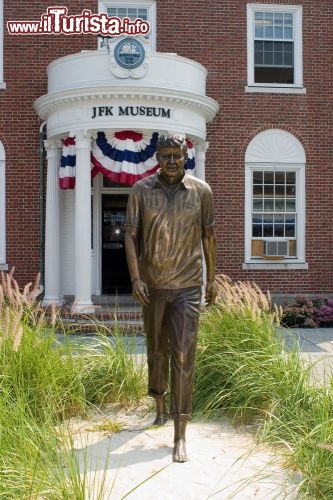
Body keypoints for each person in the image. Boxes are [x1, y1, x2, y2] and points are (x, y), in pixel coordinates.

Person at [125, 132, 217, 462]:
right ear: (156, 158)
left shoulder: (201, 191)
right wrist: (136, 278)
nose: (172, 160)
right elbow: (130, 236)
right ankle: (159, 404)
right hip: (152, 286)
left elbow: (209, 236)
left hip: (188, 287)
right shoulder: (140, 191)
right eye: (165, 155)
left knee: (183, 356)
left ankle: (180, 432)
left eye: (176, 154)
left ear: (186, 154)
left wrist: (212, 278)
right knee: (156, 352)